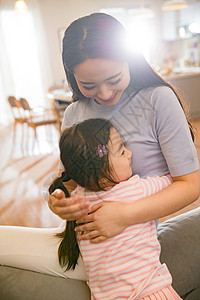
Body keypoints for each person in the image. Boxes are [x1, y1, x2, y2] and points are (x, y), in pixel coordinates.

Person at [48, 12, 200, 296]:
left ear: (129, 58)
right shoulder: (73, 114)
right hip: (96, 248)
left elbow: (191, 185)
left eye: (114, 78)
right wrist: (59, 202)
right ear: (73, 76)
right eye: (88, 85)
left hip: (142, 243)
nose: (104, 94)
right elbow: (67, 182)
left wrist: (125, 215)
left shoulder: (158, 100)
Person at [49, 117, 182, 299]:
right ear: (100, 172)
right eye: (121, 152)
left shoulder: (78, 201)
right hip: (150, 290)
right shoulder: (135, 189)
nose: (129, 153)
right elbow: (176, 180)